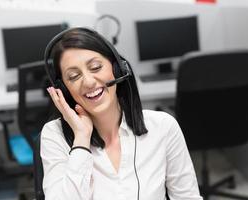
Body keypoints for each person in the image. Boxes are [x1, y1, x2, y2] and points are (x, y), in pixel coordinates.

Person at [41, 27, 202, 200]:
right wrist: (81, 139)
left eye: (95, 67)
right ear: (64, 89)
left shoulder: (162, 127)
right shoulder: (54, 135)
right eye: (73, 76)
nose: (88, 82)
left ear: (117, 69)